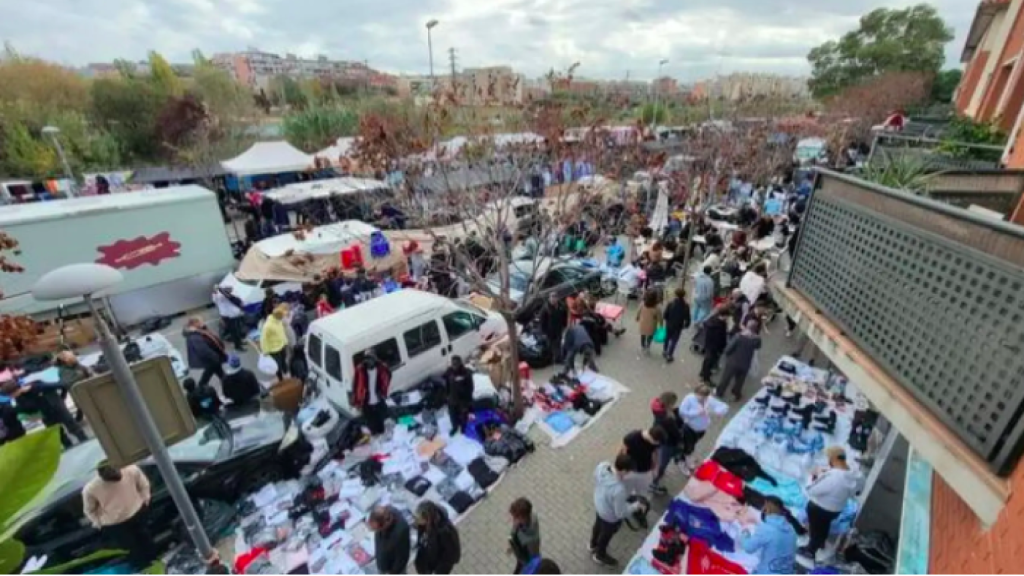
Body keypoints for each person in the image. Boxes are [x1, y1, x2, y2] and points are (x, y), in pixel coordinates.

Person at [83, 464, 153, 568]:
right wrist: (98, 523)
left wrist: (145, 499)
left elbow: (144, 485)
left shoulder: (131, 470)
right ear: (102, 476)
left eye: (117, 473)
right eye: (111, 477)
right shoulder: (91, 489)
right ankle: (144, 569)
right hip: (115, 524)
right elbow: (89, 510)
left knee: (146, 541)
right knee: (132, 550)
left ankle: (155, 563)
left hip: (137, 512)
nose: (116, 478)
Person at [800, 447, 859, 563]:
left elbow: (811, 490)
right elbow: (854, 493)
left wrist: (814, 476)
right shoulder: (850, 475)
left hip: (820, 508)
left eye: (829, 458)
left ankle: (810, 550)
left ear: (834, 459)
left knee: (816, 528)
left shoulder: (833, 476)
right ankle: (820, 543)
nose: (828, 461)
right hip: (835, 510)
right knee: (824, 526)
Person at [1, 378, 87, 448]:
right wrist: (15, 409)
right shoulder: (19, 398)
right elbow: (28, 409)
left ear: (15, 390)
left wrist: (61, 398)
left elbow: (61, 385)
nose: (11, 397)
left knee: (73, 428)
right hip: (46, 415)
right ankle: (69, 447)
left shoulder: (37, 387)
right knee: (58, 434)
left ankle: (85, 442)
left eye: (11, 395)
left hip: (58, 409)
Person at [590, 454, 644, 567]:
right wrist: (635, 506)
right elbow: (620, 513)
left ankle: (592, 544)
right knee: (606, 535)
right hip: (609, 516)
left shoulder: (603, 465)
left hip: (599, 504)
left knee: (597, 525)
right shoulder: (619, 489)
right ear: (623, 470)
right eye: (629, 472)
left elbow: (595, 477)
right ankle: (600, 555)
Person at [677, 385, 729, 471]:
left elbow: (724, 407)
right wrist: (697, 413)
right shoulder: (689, 398)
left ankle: (687, 458)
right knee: (688, 446)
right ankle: (681, 462)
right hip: (690, 428)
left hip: (701, 429)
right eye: (700, 396)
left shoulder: (709, 399)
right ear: (696, 393)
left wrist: (715, 411)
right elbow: (682, 412)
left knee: (692, 445)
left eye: (704, 397)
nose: (702, 399)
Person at [742, 495, 797, 574]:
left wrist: (745, 531)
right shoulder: (791, 528)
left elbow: (748, 548)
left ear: (766, 508)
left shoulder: (766, 529)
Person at [716, 318, 763, 401]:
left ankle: (720, 392)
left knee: (726, 378)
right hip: (746, 362)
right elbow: (758, 347)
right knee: (740, 380)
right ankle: (736, 392)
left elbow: (729, 348)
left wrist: (726, 354)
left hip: (733, 361)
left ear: (747, 326)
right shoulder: (757, 339)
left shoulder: (739, 336)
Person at [183, 316, 229, 401]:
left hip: (212, 359)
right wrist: (215, 357)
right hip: (211, 359)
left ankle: (227, 386)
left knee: (216, 374)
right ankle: (228, 388)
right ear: (195, 323)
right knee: (215, 375)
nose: (203, 322)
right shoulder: (194, 336)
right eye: (201, 321)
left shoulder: (199, 331)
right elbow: (203, 350)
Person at [413, 500, 462, 574]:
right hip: (426, 562)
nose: (416, 521)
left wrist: (437, 572)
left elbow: (451, 556)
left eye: (419, 519)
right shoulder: (424, 525)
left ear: (428, 518)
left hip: (436, 567)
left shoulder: (445, 532)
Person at [650, 392, 683, 494]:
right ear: (669, 404)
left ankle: (655, 477)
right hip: (667, 442)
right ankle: (654, 483)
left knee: (658, 460)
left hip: (658, 437)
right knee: (662, 463)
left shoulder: (656, 408)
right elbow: (676, 434)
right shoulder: (668, 419)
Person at [620, 425, 667, 496]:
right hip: (633, 469)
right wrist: (624, 470)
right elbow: (623, 452)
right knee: (635, 486)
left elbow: (655, 453)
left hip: (646, 468)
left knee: (645, 482)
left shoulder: (655, 442)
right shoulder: (631, 438)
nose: (657, 445)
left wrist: (655, 467)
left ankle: (648, 487)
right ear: (652, 438)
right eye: (657, 443)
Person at [353, 353, 392, 434]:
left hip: (379, 400)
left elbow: (388, 376)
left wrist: (383, 391)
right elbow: (356, 386)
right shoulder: (360, 370)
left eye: (370, 359)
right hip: (366, 402)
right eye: (366, 359)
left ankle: (383, 436)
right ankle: (375, 435)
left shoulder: (381, 368)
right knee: (371, 424)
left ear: (375, 360)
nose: (368, 362)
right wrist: (357, 402)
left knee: (383, 422)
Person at [368, 505, 411, 575]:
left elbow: (402, 558)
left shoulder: (401, 531)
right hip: (382, 562)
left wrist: (393, 573)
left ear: (386, 523)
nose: (376, 531)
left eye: (377, 529)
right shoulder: (384, 514)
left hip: (393, 569)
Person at [508, 497, 541, 574]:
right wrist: (512, 546)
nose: (514, 520)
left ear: (523, 518)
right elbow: (515, 532)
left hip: (526, 558)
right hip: (521, 554)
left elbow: (532, 558)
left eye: (516, 517)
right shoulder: (523, 522)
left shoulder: (531, 541)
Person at [699, 306, 731, 383]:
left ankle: (702, 373)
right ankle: (706, 378)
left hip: (708, 344)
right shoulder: (720, 325)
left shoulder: (712, 319)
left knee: (707, 360)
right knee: (710, 362)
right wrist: (722, 348)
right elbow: (720, 338)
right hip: (715, 347)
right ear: (725, 315)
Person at [445, 355, 474, 435]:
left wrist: (468, 400)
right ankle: (454, 427)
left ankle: (463, 428)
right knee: (452, 415)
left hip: (462, 399)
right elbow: (446, 383)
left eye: (456, 364)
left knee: (463, 415)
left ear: (460, 363)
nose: (454, 366)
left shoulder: (466, 373)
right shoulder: (449, 371)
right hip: (452, 398)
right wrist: (447, 395)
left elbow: (470, 387)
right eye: (453, 364)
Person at [260, 304, 290, 379]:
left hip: (282, 345)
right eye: (282, 317)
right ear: (278, 317)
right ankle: (280, 378)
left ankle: (286, 372)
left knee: (284, 361)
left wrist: (285, 341)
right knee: (277, 365)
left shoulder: (278, 321)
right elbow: (263, 339)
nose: (283, 318)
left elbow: (281, 332)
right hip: (274, 349)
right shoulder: (268, 326)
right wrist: (265, 351)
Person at [213, 286, 247, 351]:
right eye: (229, 290)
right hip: (229, 318)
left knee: (238, 330)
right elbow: (215, 300)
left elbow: (238, 301)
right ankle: (238, 346)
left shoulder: (231, 295)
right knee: (234, 332)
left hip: (235, 316)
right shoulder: (220, 297)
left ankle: (240, 342)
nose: (231, 291)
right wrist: (215, 292)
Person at [661, 288, 691, 363]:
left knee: (667, 338)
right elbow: (687, 317)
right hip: (678, 325)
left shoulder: (670, 303)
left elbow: (665, 315)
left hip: (669, 324)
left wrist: (667, 319)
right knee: (674, 340)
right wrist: (686, 325)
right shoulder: (686, 305)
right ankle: (670, 354)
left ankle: (665, 350)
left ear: (675, 294)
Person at [537, 293, 568, 365]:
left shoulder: (561, 306)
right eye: (552, 297)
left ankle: (558, 359)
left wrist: (564, 325)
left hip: (558, 329)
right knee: (550, 346)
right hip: (549, 331)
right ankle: (550, 360)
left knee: (558, 344)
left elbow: (564, 316)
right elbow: (542, 321)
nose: (553, 299)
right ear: (549, 298)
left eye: (555, 297)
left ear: (557, 298)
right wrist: (543, 332)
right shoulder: (545, 308)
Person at [636, 289, 662, 355]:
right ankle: (648, 347)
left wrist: (637, 318)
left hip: (643, 324)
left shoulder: (642, 304)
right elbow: (660, 318)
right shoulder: (657, 307)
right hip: (652, 326)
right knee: (650, 337)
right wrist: (661, 325)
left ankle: (642, 346)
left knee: (643, 335)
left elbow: (638, 312)